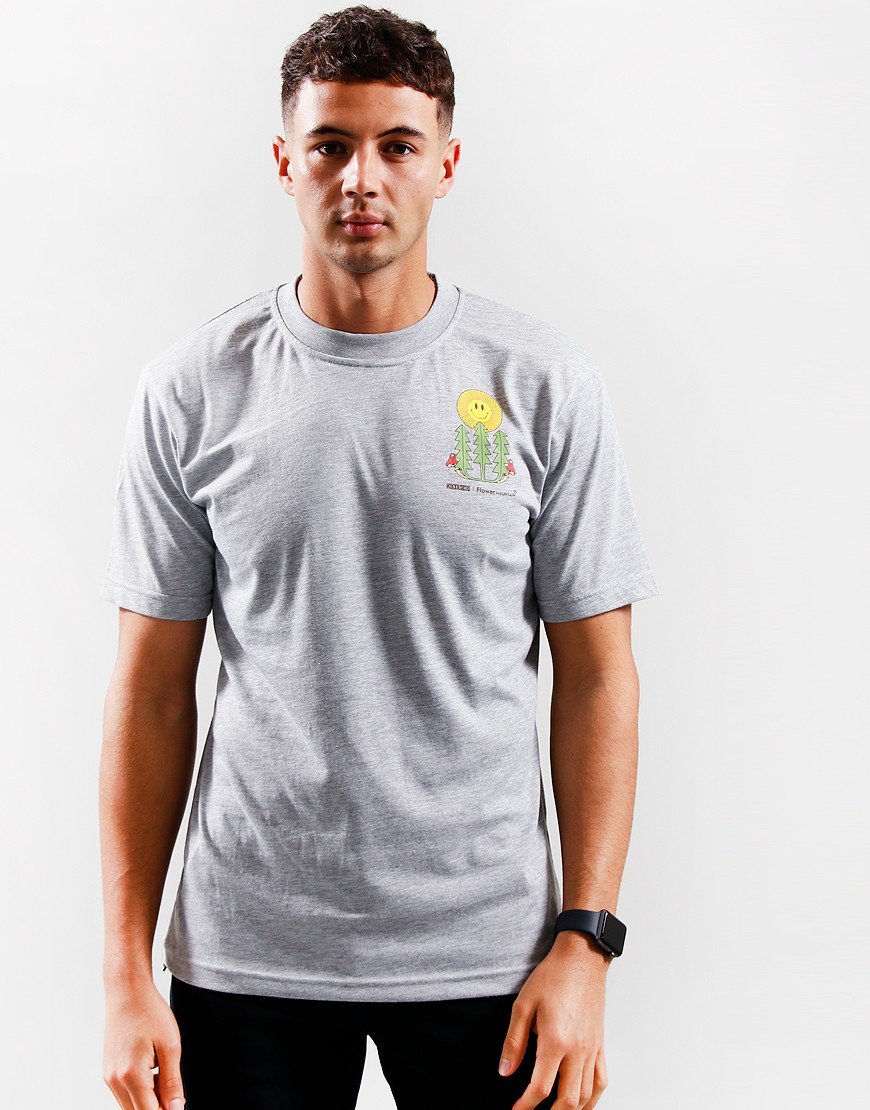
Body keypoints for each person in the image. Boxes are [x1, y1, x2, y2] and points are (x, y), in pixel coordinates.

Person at [99, 6, 657, 1109]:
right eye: (330, 145)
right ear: (285, 163)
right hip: (248, 957)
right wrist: (124, 974)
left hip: (491, 958)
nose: (362, 178)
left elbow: (599, 674)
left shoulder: (542, 383)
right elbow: (151, 691)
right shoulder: (191, 390)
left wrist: (585, 942)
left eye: (398, 146)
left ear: (446, 163)